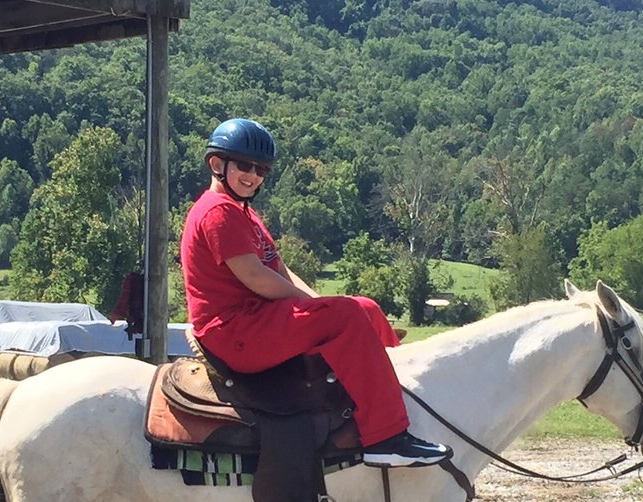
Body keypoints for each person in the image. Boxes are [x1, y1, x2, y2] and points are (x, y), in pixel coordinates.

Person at [180, 117, 452, 468]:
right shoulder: (217, 212)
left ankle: (399, 393)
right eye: (245, 165)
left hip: (256, 321)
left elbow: (279, 270)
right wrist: (322, 311)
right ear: (217, 164)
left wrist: (319, 303)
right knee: (346, 316)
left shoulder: (244, 213)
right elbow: (255, 278)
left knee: (362, 307)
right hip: (232, 330)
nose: (254, 175)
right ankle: (385, 437)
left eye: (261, 169)